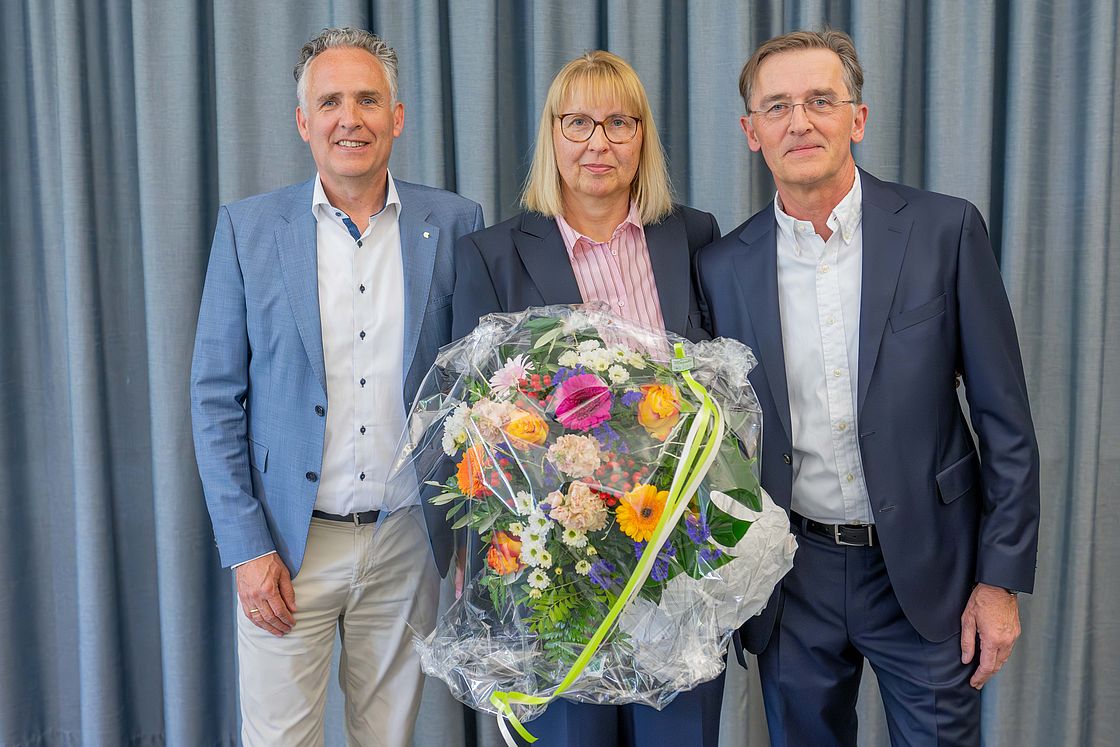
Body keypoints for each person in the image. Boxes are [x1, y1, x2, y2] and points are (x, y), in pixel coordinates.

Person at [697, 29, 1040, 746]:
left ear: (857, 117)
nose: (800, 121)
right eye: (778, 106)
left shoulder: (944, 232)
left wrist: (999, 580)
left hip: (929, 566)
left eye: (821, 100)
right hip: (793, 578)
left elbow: (1004, 418)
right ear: (751, 131)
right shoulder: (723, 267)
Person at [190, 27, 483, 746]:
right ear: (302, 121)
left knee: (387, 737)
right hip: (289, 546)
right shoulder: (248, 230)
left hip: (407, 539)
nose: (349, 118)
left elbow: (476, 389)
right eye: (330, 102)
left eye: (368, 100)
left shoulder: (453, 223)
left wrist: (474, 535)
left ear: (398, 116)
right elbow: (215, 398)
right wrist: (248, 548)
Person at [453, 50, 722, 747]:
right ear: (551, 133)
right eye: (578, 122)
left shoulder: (694, 237)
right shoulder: (490, 253)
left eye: (619, 122)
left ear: (643, 136)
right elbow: (473, 423)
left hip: (675, 573)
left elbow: (724, 394)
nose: (599, 142)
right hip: (557, 588)